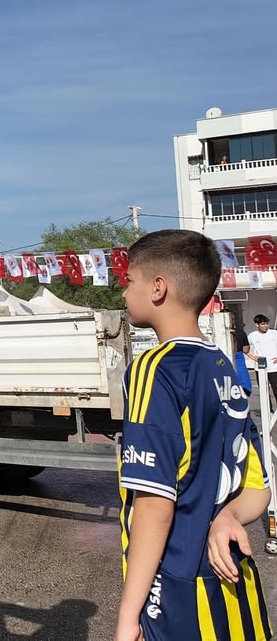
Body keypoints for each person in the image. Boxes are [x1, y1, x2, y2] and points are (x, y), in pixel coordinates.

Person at [115, 230, 271, 641]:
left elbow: (154, 504)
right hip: (236, 586)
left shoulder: (155, 369)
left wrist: (128, 617)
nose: (124, 292)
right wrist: (228, 516)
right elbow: (258, 488)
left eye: (129, 280)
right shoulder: (221, 366)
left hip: (177, 590)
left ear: (158, 288)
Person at [246, 314, 277, 406]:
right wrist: (252, 356)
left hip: (274, 367)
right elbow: (245, 348)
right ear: (257, 324)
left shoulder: (274, 333)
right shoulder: (252, 336)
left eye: (267, 323)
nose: (265, 326)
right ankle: (268, 411)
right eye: (263, 324)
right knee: (264, 392)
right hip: (260, 368)